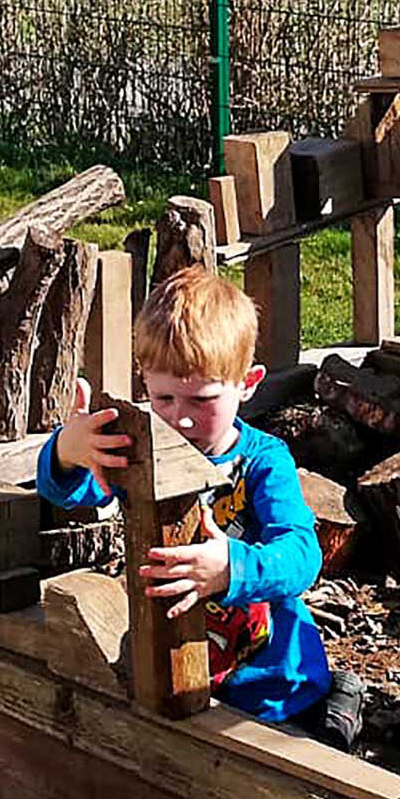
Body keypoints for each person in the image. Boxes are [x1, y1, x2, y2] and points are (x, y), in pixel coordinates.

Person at [38, 266, 363, 747]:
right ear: (143, 381)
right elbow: (75, 492)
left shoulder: (261, 460)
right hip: (176, 660)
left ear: (247, 384)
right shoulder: (144, 448)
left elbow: (301, 554)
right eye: (163, 397)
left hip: (273, 682)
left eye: (202, 398)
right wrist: (68, 450)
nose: (181, 417)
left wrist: (232, 567)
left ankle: (339, 698)